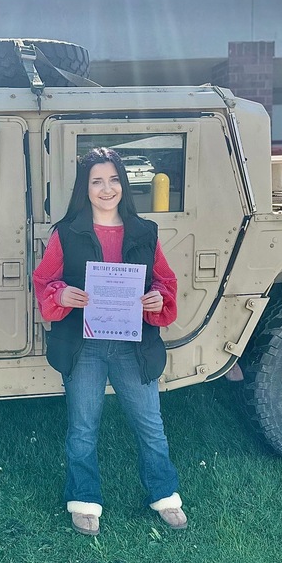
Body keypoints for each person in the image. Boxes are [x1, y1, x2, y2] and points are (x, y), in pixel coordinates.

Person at [32, 147, 186, 537]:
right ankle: (84, 498)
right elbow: (44, 280)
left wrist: (157, 298)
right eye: (97, 181)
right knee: (83, 426)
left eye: (114, 179)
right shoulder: (66, 232)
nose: (106, 188)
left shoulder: (144, 231)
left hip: (134, 344)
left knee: (150, 424)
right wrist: (61, 294)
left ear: (124, 184)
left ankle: (164, 494)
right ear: (85, 188)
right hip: (85, 347)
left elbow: (164, 281)